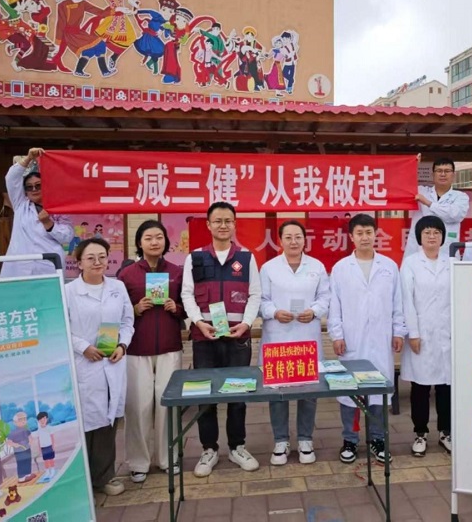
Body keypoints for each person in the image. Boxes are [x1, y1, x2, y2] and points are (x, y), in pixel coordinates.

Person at [181, 202, 262, 477]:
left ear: (235, 224)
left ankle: (238, 446)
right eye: (217, 221)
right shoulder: (195, 257)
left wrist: (247, 323)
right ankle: (209, 449)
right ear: (208, 224)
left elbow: (255, 295)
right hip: (205, 337)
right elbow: (187, 294)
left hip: (237, 337)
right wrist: (198, 321)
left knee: (238, 394)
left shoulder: (247, 258)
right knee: (206, 394)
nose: (223, 225)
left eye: (228, 220)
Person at [328, 214, 406, 465]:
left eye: (369, 232)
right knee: (350, 392)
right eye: (359, 233)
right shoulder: (341, 268)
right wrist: (337, 335)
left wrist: (398, 331)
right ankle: (350, 439)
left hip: (381, 340)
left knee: (378, 392)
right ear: (351, 237)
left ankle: (378, 439)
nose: (364, 237)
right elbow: (334, 306)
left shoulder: (389, 266)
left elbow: (397, 302)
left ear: (376, 235)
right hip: (352, 340)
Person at [67, 237, 134, 496]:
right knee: (86, 421)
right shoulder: (69, 292)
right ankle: (83, 478)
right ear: (79, 263)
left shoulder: (117, 287)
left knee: (109, 419)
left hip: (113, 361)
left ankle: (105, 476)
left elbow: (127, 321)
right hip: (85, 364)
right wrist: (83, 347)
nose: (97, 262)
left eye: (102, 257)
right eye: (90, 258)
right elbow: (63, 325)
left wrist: (123, 345)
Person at [118, 221, 185, 480]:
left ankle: (169, 458)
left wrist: (176, 308)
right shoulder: (127, 275)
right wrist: (135, 309)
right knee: (138, 406)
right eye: (148, 238)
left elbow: (187, 306)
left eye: (159, 237)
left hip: (169, 346)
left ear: (166, 241)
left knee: (167, 404)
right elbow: (118, 312)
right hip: (137, 349)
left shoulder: (177, 272)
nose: (154, 242)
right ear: (139, 242)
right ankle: (138, 462)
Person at [260, 220, 330, 466]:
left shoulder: (317, 266)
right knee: (277, 391)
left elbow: (325, 297)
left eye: (298, 237)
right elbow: (261, 300)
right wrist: (274, 312)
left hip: (306, 335)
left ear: (304, 239)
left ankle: (305, 439)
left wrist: (315, 311)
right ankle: (280, 440)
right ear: (280, 240)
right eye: (288, 237)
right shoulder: (268, 268)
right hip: (278, 336)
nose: (293, 241)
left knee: (308, 390)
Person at [399, 215, 453, 456]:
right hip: (420, 333)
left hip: (447, 333)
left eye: (436, 232)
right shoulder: (410, 263)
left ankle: (445, 432)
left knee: (446, 386)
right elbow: (406, 300)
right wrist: (413, 332)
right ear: (419, 237)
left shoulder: (452, 262)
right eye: (427, 232)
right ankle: (419, 433)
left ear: (443, 237)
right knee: (420, 387)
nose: (432, 236)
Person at [0, 147, 73, 278]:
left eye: (38, 185)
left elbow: (67, 237)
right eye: (29, 187)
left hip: (48, 267)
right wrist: (28, 158)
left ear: (46, 186)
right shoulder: (21, 204)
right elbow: (11, 178)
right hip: (19, 267)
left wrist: (49, 223)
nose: (34, 189)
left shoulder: (58, 208)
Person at [404, 156, 470, 259]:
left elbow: (454, 214)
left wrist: (428, 203)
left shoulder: (461, 197)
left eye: (447, 171)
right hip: (418, 251)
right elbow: (402, 184)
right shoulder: (421, 191)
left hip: (446, 251)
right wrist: (413, 166)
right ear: (433, 175)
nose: (443, 174)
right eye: (439, 171)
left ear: (453, 175)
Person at [7, 411, 35, 483]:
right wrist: (15, 444)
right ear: (15, 422)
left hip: (27, 448)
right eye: (20, 420)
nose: (23, 421)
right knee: (21, 463)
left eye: (24, 419)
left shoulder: (26, 430)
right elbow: (9, 442)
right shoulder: (13, 432)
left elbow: (30, 437)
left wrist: (31, 442)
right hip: (19, 451)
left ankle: (28, 474)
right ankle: (21, 477)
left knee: (28, 461)